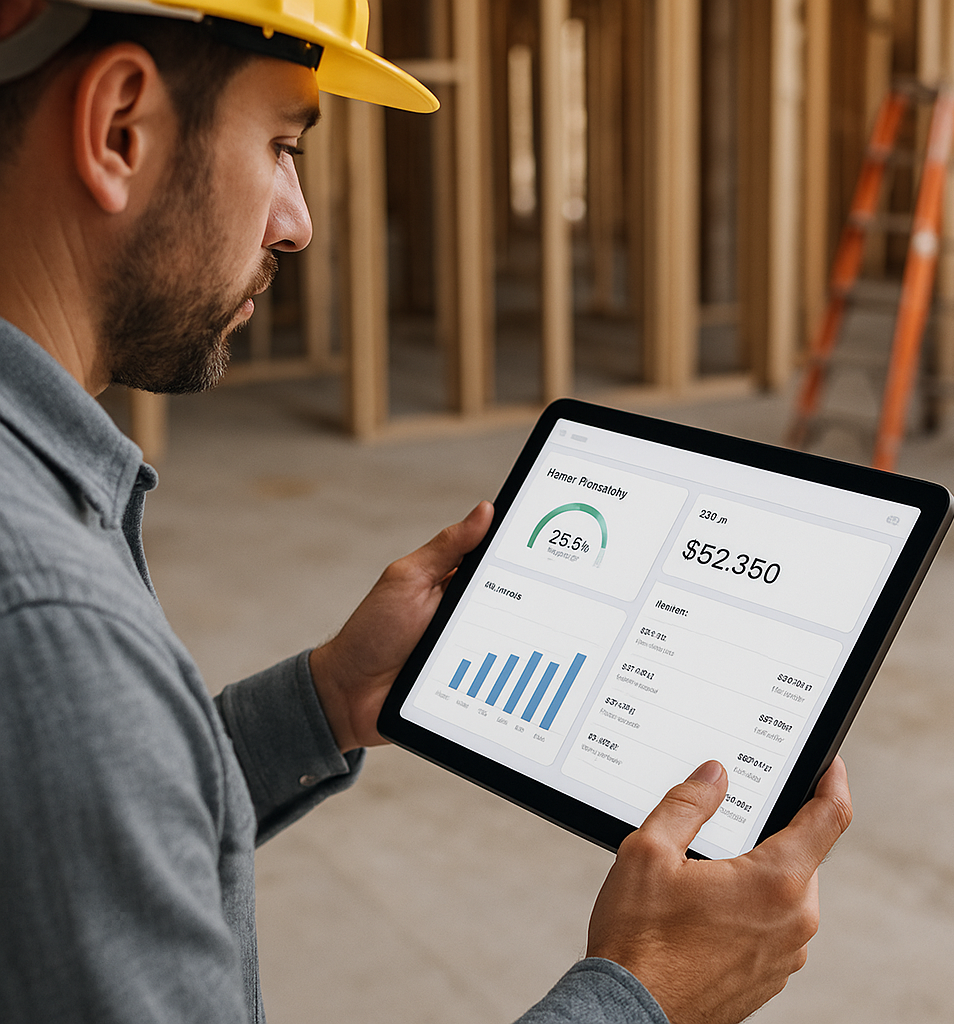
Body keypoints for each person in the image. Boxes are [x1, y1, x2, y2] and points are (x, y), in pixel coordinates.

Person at [0, 2, 853, 1022]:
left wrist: (322, 700)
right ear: (119, 128)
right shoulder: (51, 619)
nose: (297, 220)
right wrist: (650, 990)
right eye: (280, 143)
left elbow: (73, 833)